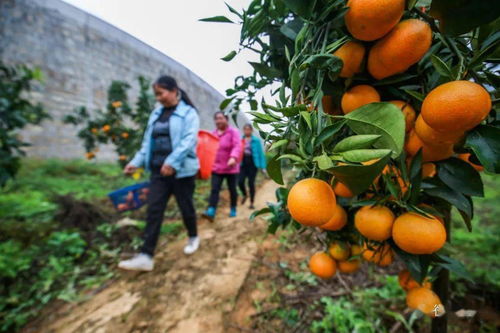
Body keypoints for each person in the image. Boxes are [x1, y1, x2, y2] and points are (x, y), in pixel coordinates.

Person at [118, 76, 200, 271]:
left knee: (185, 206)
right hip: (158, 172)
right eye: (156, 94)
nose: (158, 98)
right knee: (154, 210)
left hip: (182, 172)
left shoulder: (189, 113)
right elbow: (147, 144)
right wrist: (135, 163)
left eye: (160, 93)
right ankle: (146, 255)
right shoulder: (156, 114)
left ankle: (193, 236)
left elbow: (189, 140)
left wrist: (172, 161)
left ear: (173, 91)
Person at [203, 112, 242, 221]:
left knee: (232, 189)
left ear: (226, 119)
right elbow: (209, 150)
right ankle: (211, 210)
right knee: (214, 189)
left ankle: (233, 208)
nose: (218, 121)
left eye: (220, 118)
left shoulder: (233, 132)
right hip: (217, 168)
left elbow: (237, 146)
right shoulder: (213, 134)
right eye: (216, 119)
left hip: (231, 168)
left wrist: (233, 157)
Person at [239, 124, 267, 209]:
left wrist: (263, 167)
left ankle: (251, 202)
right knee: (240, 182)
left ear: (251, 131)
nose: (247, 131)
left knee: (251, 183)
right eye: (245, 129)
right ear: (243, 130)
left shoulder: (256, 140)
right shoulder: (241, 140)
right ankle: (244, 194)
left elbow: (260, 154)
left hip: (253, 164)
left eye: (248, 129)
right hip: (242, 163)